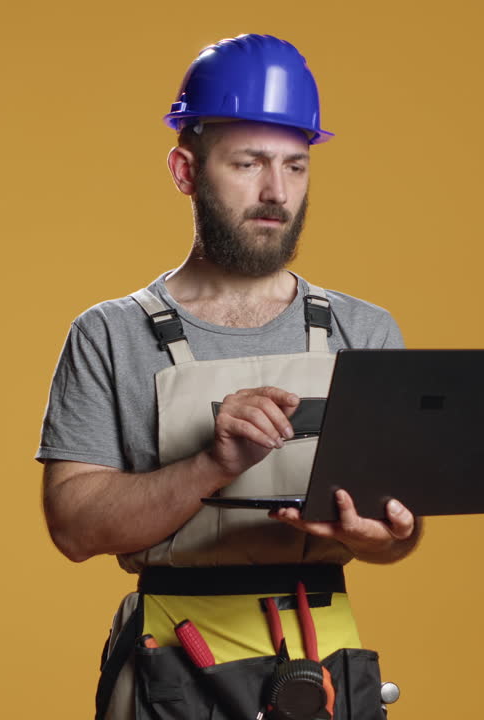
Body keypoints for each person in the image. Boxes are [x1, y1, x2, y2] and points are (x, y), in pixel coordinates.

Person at [36, 34, 422, 720]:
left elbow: (400, 532)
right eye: (248, 163)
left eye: (295, 166)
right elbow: (73, 528)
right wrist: (212, 462)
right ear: (185, 170)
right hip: (172, 671)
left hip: (325, 668)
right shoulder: (109, 335)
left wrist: (375, 535)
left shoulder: (363, 332)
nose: (276, 192)